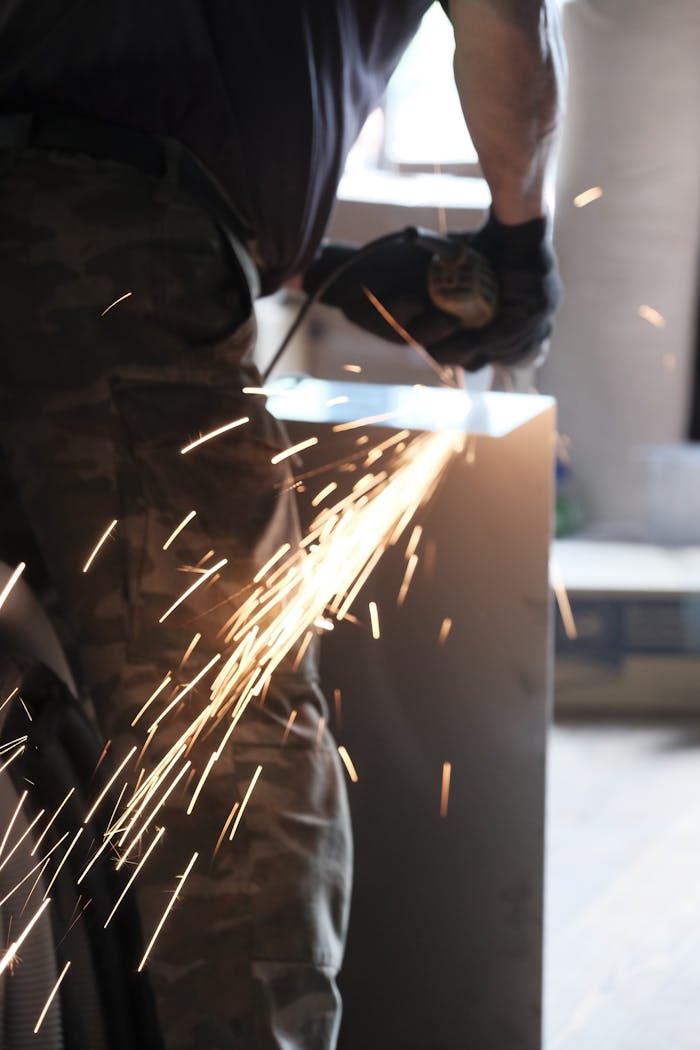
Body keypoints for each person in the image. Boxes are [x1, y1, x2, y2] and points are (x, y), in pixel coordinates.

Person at [0, 1, 565, 1047]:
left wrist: (320, 264)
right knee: (226, 737)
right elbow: (505, 25)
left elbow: (83, 112)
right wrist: (519, 234)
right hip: (100, 255)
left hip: (85, 221)